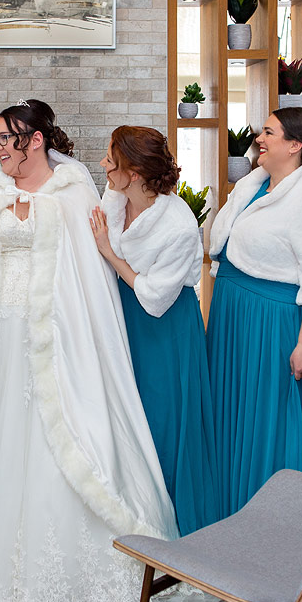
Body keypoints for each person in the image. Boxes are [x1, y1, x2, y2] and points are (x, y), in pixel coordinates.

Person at [0, 99, 179, 602]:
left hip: (55, 338)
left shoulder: (75, 192)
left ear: (33, 140)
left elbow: (89, 276)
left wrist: (83, 340)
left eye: (3, 140)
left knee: (60, 434)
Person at [204, 107, 302, 520]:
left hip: (270, 325)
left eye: (268, 132)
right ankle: (225, 517)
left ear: (295, 145)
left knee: (267, 426)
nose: (258, 139)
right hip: (233, 317)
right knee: (232, 421)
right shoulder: (254, 186)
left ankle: (269, 530)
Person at [88, 126, 217, 535]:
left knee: (160, 419)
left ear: (137, 172)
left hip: (163, 328)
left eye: (112, 159)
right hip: (125, 314)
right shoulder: (116, 196)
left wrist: (110, 254)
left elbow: (154, 297)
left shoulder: (178, 226)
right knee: (125, 413)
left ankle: (166, 523)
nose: (104, 165)